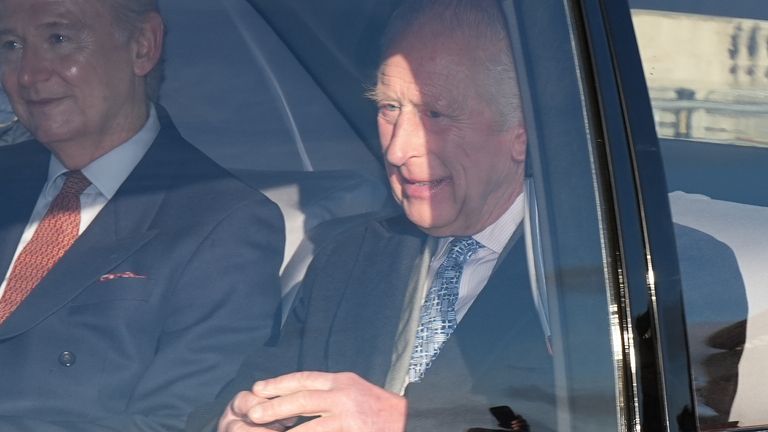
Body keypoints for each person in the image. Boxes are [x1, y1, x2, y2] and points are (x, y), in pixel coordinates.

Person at [194, 1, 557, 431]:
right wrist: (240, 420)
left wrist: (406, 423)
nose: (397, 150)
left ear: (522, 132)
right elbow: (239, 396)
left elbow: (596, 417)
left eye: (434, 114)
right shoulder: (349, 258)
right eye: (389, 108)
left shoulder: (594, 266)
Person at [0, 0, 284, 431]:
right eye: (11, 44)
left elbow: (179, 421)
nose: (29, 74)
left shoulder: (224, 224)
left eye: (58, 39)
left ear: (142, 47)